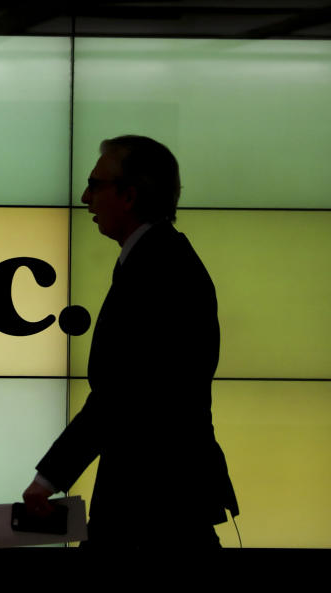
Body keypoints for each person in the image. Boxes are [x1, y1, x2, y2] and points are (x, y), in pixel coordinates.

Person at [22, 135, 238, 548]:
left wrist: (48, 478)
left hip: (150, 501)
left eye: (95, 184)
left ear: (128, 196)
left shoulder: (156, 270)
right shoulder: (162, 260)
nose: (85, 197)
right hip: (165, 497)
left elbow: (120, 393)